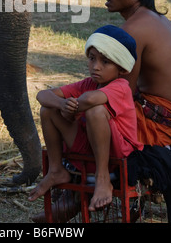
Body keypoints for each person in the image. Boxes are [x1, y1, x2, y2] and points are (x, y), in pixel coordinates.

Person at [28, 25, 143, 213]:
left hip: (117, 154)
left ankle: (103, 178)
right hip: (89, 148)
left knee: (95, 111)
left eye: (105, 62)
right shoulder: (89, 83)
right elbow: (43, 94)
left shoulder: (121, 86)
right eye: (92, 59)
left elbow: (90, 99)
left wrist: (69, 108)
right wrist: (61, 105)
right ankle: (56, 170)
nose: (95, 66)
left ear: (122, 68)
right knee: (48, 110)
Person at [102, 0, 171, 149]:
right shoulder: (161, 20)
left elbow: (123, 93)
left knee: (86, 114)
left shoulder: (133, 29)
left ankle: (74, 172)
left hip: (157, 128)